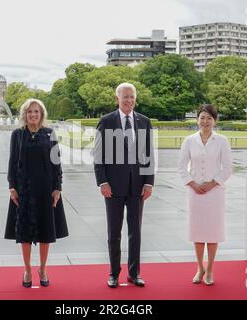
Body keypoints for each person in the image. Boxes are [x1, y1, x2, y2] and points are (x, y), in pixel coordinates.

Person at [94, 82, 155, 288]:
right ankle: (113, 273)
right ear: (117, 99)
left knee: (135, 232)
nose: (129, 100)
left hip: (138, 187)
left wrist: (149, 183)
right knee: (114, 232)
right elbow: (99, 155)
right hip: (113, 187)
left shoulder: (144, 122)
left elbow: (149, 154)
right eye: (125, 97)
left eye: (132, 97)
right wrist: (102, 182)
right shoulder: (106, 121)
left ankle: (134, 273)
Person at [4, 98, 68, 288]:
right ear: (25, 114)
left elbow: (57, 163)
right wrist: (11, 186)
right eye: (30, 111)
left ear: (42, 115)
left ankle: (42, 268)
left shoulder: (50, 133)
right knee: (24, 233)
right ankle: (27, 269)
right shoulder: (17, 134)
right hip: (23, 190)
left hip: (46, 189)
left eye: (36, 112)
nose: (33, 115)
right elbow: (12, 161)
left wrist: (58, 188)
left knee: (45, 232)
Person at [178, 104, 232, 286]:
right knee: (198, 232)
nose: (205, 121)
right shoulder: (189, 141)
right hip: (195, 193)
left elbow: (228, 168)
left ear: (215, 121)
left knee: (213, 232)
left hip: (215, 192)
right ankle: (200, 267)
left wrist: (211, 184)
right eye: (202, 117)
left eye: (209, 118)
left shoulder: (222, 141)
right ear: (197, 120)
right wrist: (193, 183)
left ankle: (210, 269)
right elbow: (181, 167)